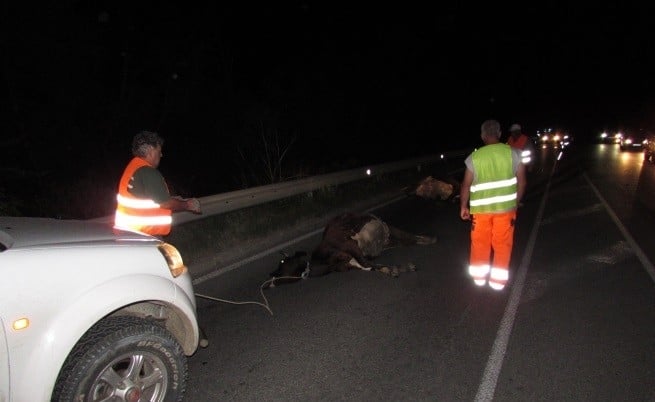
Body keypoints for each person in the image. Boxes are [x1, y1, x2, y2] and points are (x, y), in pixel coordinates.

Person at [459, 120, 526, 291]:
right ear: (500, 133)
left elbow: (465, 185)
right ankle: (497, 282)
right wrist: (515, 203)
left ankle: (479, 279)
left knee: (479, 243)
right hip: (505, 210)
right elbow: (522, 182)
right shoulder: (514, 153)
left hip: (480, 211)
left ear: (482, 136)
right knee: (503, 244)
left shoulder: (475, 157)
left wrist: (463, 206)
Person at [114, 130, 201, 236]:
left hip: (129, 232)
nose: (161, 154)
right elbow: (165, 203)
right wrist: (188, 205)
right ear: (151, 149)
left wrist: (175, 199)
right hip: (143, 234)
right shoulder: (148, 171)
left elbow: (149, 198)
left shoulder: (133, 167)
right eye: (159, 150)